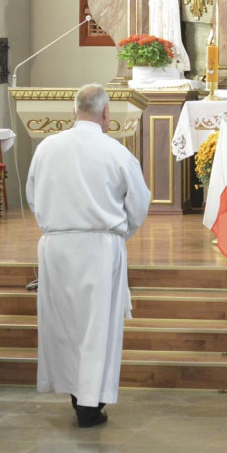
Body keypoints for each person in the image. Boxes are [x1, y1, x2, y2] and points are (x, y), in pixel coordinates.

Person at [26, 84, 151, 427]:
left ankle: (75, 394)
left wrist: (56, 226)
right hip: (99, 246)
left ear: (74, 111)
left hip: (56, 245)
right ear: (106, 113)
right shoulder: (117, 152)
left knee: (64, 324)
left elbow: (33, 196)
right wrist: (118, 233)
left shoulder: (47, 148)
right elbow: (138, 204)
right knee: (98, 327)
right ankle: (89, 404)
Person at [148, 0, 190, 73]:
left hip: (169, 18)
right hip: (160, 16)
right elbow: (152, 3)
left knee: (170, 36)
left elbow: (174, 6)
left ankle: (173, 61)